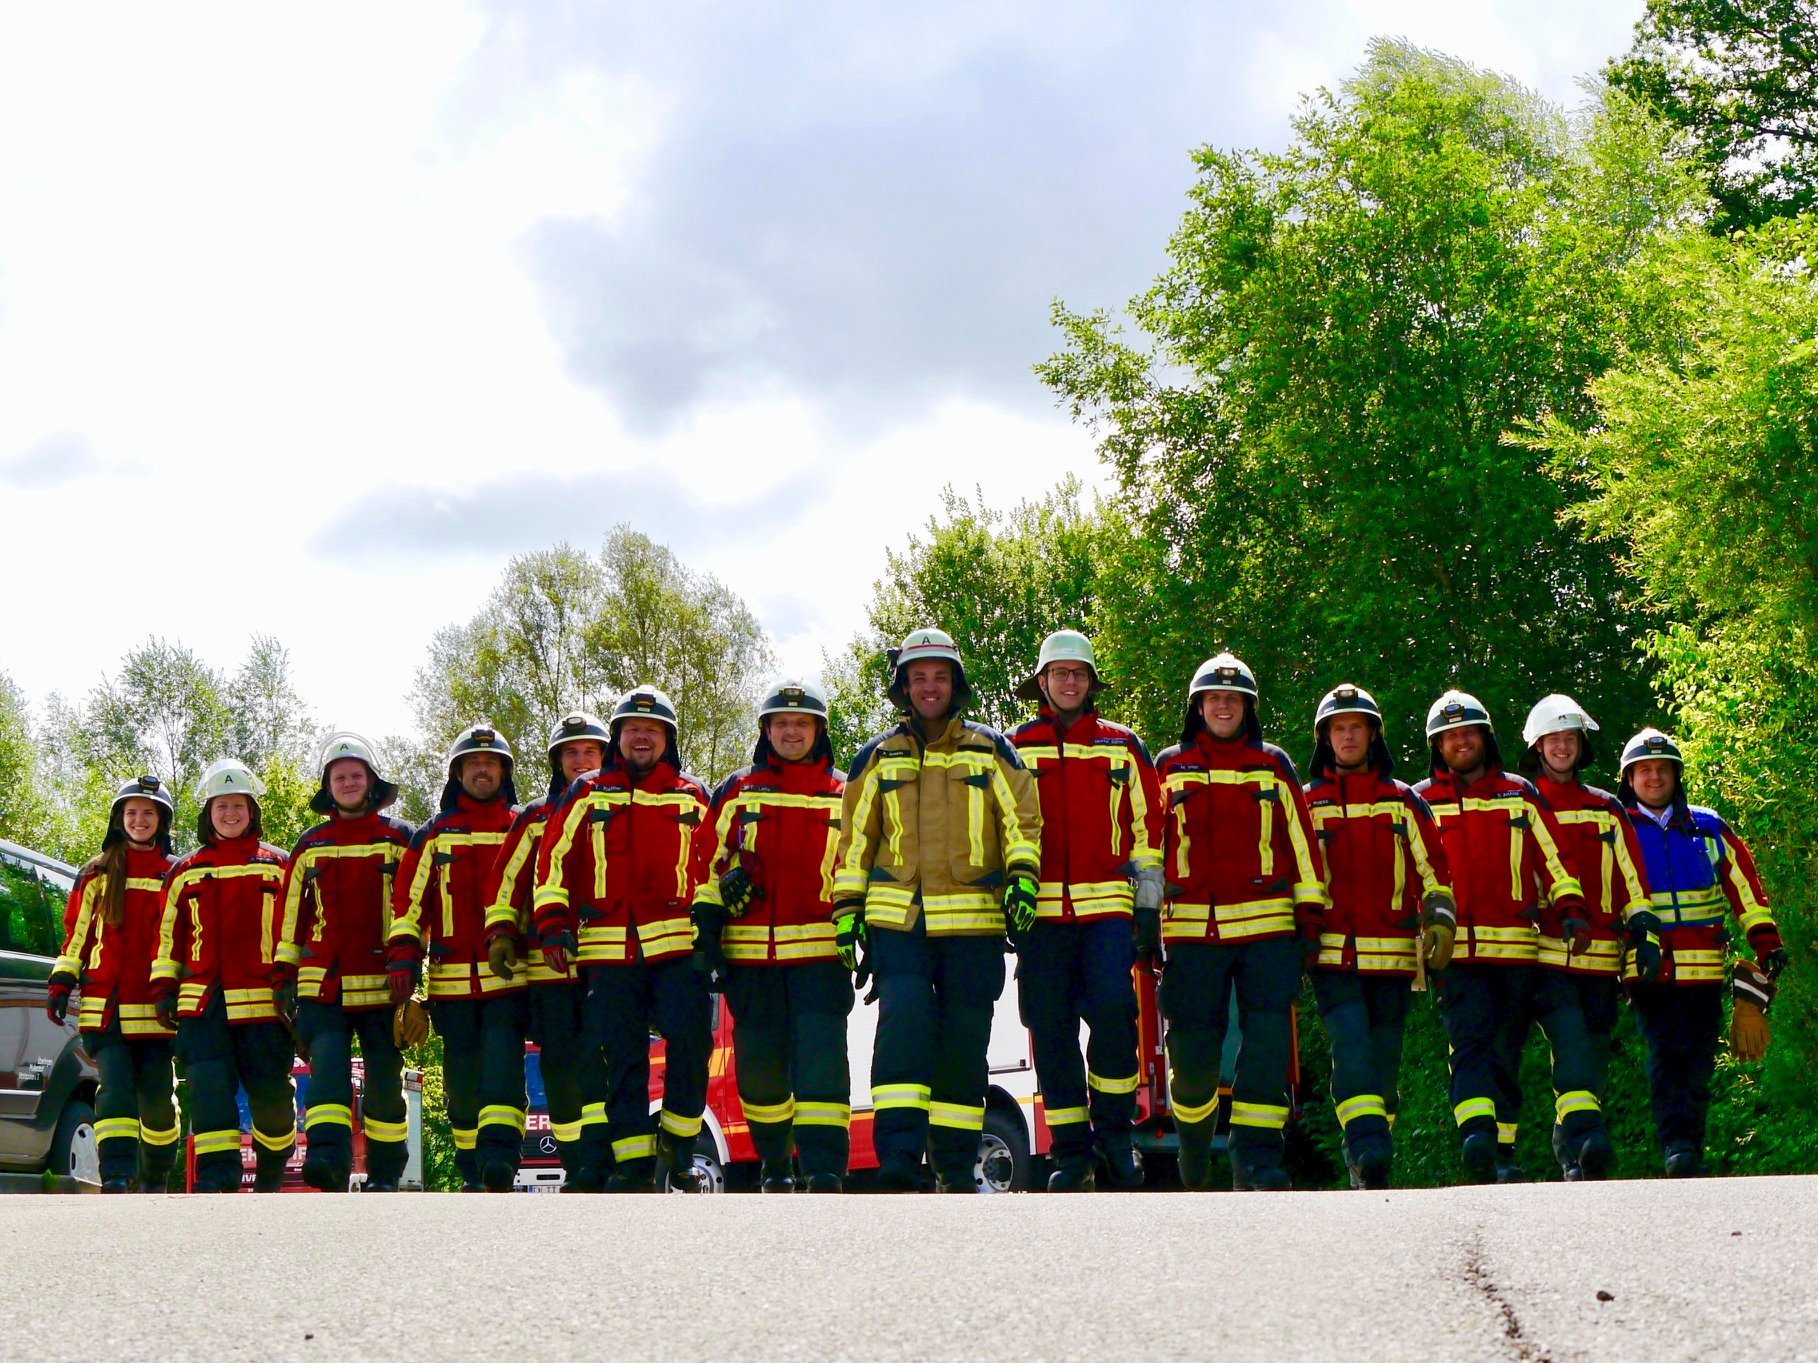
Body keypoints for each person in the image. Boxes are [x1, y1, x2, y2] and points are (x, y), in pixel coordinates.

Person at [833, 627, 1041, 1193]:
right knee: (902, 1030)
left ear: (956, 684)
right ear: (904, 686)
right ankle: (899, 1163)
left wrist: (1023, 879)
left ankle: (953, 1166)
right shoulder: (876, 757)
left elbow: (1022, 823)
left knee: (963, 1046)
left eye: (940, 677)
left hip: (973, 926)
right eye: (919, 677)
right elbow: (854, 841)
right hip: (899, 925)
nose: (930, 687)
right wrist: (847, 910)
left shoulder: (991, 750)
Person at [1153, 652, 1325, 1191]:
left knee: (1268, 1049)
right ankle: (1194, 1145)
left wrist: (1310, 921)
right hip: (1191, 934)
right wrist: (1145, 920)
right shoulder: (1170, 765)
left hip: (1266, 931)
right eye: (1214, 698)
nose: (1223, 706)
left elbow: (1302, 844)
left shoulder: (1273, 764)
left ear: (1248, 707)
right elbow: (1150, 847)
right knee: (1193, 1056)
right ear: (1198, 707)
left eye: (1233, 699)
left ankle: (1256, 1162)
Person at [534, 686, 715, 1192]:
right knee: (623, 1057)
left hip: (678, 947)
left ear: (668, 739)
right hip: (608, 950)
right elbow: (553, 860)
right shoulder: (587, 792)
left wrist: (713, 922)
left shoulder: (692, 795)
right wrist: (553, 923)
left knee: (693, 1041)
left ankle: (678, 1145)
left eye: (652, 730)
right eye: (633, 729)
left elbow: (717, 860)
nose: (641, 737)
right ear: (617, 737)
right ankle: (633, 1165)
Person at [1006, 630, 1160, 1191]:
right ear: (1042, 682)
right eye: (1059, 673)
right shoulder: (1014, 747)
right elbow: (998, 826)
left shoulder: (1123, 745)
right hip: (1041, 917)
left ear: (1091, 683)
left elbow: (1149, 828)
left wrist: (1148, 906)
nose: (1069, 682)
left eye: (1079, 673)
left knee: (1116, 1014)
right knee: (1050, 1030)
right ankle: (1072, 1154)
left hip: (1108, 916)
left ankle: (1116, 1135)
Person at [1414, 691, 1584, 1184]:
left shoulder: (1519, 794)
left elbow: (1553, 859)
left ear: (1485, 738)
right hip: (1453, 953)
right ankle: (1477, 1139)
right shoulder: (1420, 800)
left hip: (1514, 949)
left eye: (1468, 732)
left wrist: (1572, 910)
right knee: (1468, 1043)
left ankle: (1503, 1151)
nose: (1460, 742)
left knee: (1506, 1050)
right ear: (1437, 745)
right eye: (1450, 736)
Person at [693, 679, 852, 1193]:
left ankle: (825, 1171)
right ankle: (776, 1163)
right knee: (759, 1075)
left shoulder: (844, 792)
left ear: (819, 731)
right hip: (751, 963)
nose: (791, 732)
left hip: (821, 960)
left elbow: (860, 865)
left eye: (801, 723)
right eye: (781, 723)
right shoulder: (738, 789)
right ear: (765, 730)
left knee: (823, 1072)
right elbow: (703, 859)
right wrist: (712, 915)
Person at [1303, 685, 1454, 1190]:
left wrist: (1439, 920)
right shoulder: (1308, 803)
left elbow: (1434, 869)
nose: (1348, 736)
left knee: (1384, 1060)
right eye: (1338, 728)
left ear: (1372, 735)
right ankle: (1369, 1145)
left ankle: (1365, 1153)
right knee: (1351, 1045)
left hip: (1393, 955)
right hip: (1332, 956)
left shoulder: (1404, 801)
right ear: (1325, 738)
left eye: (1356, 727)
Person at [1618, 728, 1787, 1177]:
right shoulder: (1614, 829)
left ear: (1677, 775)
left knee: (1697, 1058)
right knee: (1665, 1051)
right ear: (1629, 779)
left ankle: (1690, 1144)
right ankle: (1677, 1145)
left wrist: (1766, 941)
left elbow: (1745, 889)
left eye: (1663, 769)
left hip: (1704, 968)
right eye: (1644, 770)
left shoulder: (1709, 827)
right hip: (1647, 968)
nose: (1654, 777)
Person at [1515, 696, 1657, 1179]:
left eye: (1570, 739)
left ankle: (1571, 1151)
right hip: (1546, 956)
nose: (1562, 747)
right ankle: (1588, 1138)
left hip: (1602, 957)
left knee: (1592, 1051)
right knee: (1571, 1041)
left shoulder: (1606, 807)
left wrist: (1644, 930)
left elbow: (1632, 877)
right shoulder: (1522, 802)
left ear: (1581, 746)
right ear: (1537, 747)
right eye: (1553, 740)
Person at [388, 723, 525, 1192]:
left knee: (503, 1073)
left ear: (504, 772)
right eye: (473, 763)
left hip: (509, 981)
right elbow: (408, 906)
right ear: (457, 773)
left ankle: (500, 1162)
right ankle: (471, 1169)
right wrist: (405, 965)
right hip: (451, 988)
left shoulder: (520, 826)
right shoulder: (434, 834)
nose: (482, 770)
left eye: (490, 763)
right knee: (462, 1085)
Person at [276, 733, 415, 1192]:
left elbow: (417, 906)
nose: (349, 782)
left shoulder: (399, 838)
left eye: (356, 775)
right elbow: (290, 918)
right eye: (340, 777)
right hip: (323, 986)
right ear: (327, 786)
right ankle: (327, 1163)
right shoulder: (310, 844)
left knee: (384, 1081)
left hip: (384, 984)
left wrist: (410, 966)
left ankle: (386, 1172)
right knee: (327, 1077)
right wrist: (283, 977)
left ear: (372, 781)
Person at [151, 760, 295, 1192]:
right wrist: (163, 988)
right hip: (203, 1007)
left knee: (272, 1099)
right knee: (210, 1097)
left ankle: (271, 1174)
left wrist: (293, 986)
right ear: (208, 813)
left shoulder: (279, 865)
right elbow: (167, 937)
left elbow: (298, 930)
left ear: (252, 811)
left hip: (266, 1009)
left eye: (238, 805)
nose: (230, 814)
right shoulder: (184, 871)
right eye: (221, 806)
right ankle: (217, 1183)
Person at [483, 711, 612, 1191]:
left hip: (609, 963)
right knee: (559, 1066)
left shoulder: (621, 804)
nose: (581, 761)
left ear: (605, 756)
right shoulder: (536, 817)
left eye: (590, 752)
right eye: (571, 753)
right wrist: (501, 932)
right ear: (558, 761)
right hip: (549, 968)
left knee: (603, 1060)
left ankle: (605, 1159)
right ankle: (577, 1162)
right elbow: (507, 881)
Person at [47, 776, 181, 1192]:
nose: (139, 820)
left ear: (162, 820)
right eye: (131, 813)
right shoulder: (97, 872)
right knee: (115, 1092)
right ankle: (117, 1176)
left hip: (159, 1008)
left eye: (148, 813)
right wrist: (61, 981)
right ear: (119, 819)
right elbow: (77, 934)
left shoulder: (175, 872)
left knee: (157, 1100)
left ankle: (156, 1175)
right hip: (107, 1006)